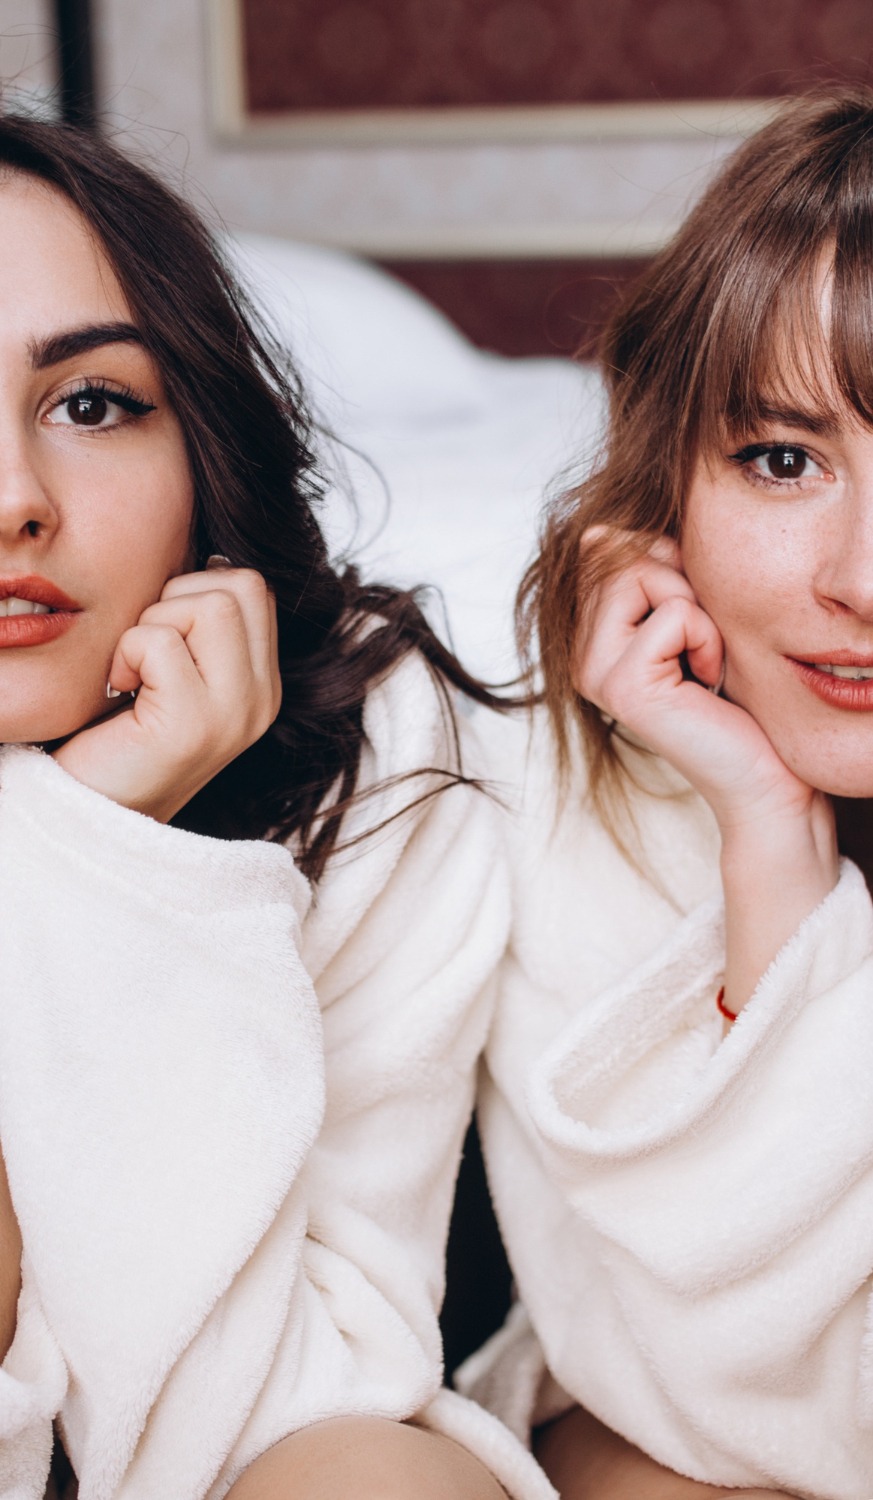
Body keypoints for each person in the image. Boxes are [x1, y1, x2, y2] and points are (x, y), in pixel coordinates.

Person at [0, 114, 555, 1500]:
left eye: (91, 404)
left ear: (201, 449)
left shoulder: (372, 748)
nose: (14, 501)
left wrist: (118, 860)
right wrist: (58, 849)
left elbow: (283, 1413)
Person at [460, 87, 873, 1499]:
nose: (858, 579)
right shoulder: (550, 794)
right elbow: (737, 1401)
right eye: (781, 460)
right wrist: (768, 837)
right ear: (667, 485)